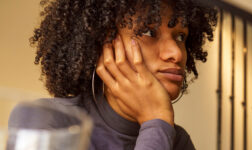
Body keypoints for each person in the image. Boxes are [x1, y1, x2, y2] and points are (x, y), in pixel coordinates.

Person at [9, 0, 217, 149]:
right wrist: (156, 121)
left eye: (180, 36)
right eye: (148, 32)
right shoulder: (47, 119)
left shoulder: (177, 140)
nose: (176, 53)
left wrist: (157, 124)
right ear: (105, 43)